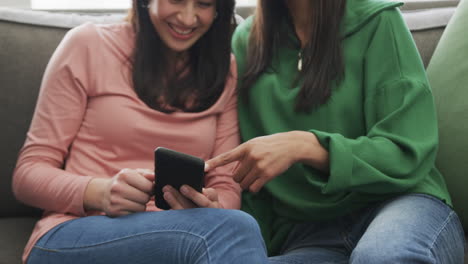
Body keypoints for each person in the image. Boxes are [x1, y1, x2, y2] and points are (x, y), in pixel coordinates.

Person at [206, 0, 466, 263]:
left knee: (382, 257)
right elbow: (253, 182)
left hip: (401, 201)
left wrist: (307, 146)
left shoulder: (379, 20)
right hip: (309, 233)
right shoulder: (247, 42)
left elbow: (408, 150)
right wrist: (222, 211)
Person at [12, 0, 270, 263]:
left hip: (183, 236)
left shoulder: (225, 71)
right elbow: (28, 174)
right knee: (233, 228)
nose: (188, 18)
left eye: (203, 4)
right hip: (75, 232)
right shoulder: (87, 45)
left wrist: (212, 207)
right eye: (177, 0)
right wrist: (100, 193)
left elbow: (225, 185)